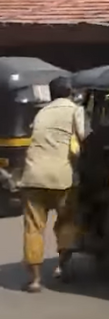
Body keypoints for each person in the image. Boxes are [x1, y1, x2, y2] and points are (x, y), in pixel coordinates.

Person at [17, 76, 87, 293]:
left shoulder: (42, 112)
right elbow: (84, 135)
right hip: (61, 177)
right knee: (66, 222)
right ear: (69, 91)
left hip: (33, 176)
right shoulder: (75, 110)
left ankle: (35, 280)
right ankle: (63, 268)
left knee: (33, 229)